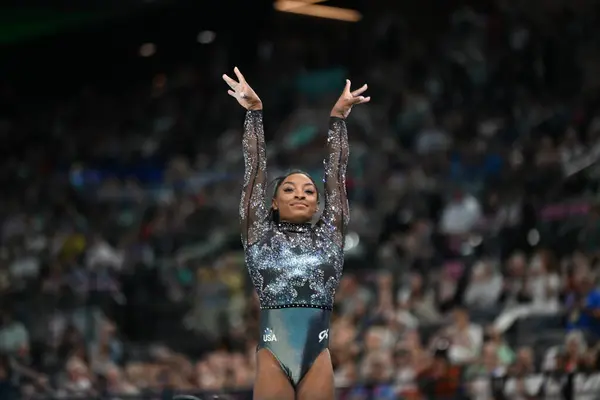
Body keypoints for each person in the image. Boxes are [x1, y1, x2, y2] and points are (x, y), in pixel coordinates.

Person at [222, 67, 369, 400]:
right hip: (274, 353)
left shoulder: (331, 234)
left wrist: (337, 120)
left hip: (317, 355)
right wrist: (254, 114)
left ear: (319, 203)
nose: (301, 194)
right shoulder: (258, 233)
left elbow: (335, 173)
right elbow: (255, 170)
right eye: (289, 189)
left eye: (308, 190)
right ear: (272, 203)